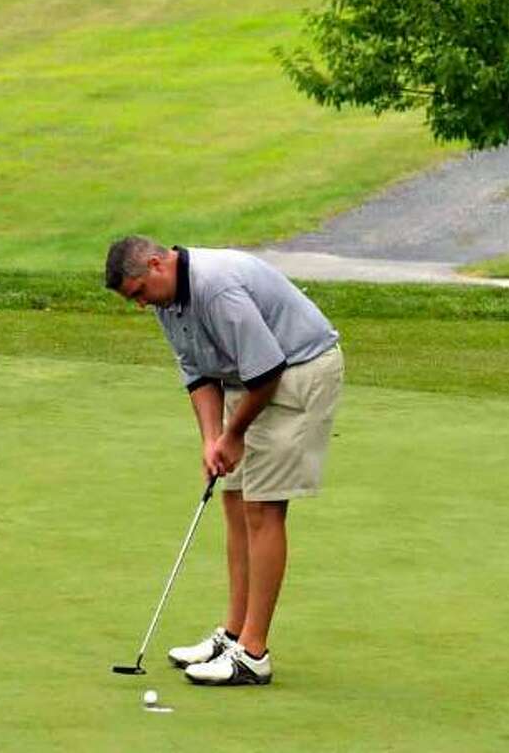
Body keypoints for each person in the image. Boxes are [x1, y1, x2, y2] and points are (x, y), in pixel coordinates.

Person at [104, 236, 343, 688]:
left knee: (263, 507)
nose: (139, 305)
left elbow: (268, 370)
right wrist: (212, 440)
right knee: (233, 500)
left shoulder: (216, 288)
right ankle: (233, 634)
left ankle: (253, 654)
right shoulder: (166, 302)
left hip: (298, 372)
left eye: (137, 293)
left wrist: (232, 436)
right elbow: (198, 375)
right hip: (251, 381)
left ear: (156, 265)